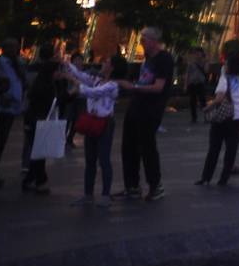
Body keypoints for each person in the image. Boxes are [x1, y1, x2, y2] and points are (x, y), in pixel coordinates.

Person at [117, 26, 173, 201]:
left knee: (147, 147)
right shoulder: (148, 58)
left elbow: (159, 87)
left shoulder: (164, 59)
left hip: (150, 109)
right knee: (129, 145)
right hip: (137, 105)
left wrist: (134, 87)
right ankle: (132, 185)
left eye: (144, 39)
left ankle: (155, 185)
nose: (141, 42)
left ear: (154, 41)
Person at [63, 53, 122, 203]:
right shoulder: (97, 80)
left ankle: (105, 195)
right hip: (92, 121)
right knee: (90, 160)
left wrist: (75, 83)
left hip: (105, 123)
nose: (103, 64)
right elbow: (79, 74)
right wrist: (64, 62)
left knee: (103, 159)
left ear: (112, 68)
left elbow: (92, 92)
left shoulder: (112, 85)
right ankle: (88, 194)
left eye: (106, 62)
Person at [197, 41, 239, 187]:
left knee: (214, 148)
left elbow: (219, 99)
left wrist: (208, 107)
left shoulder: (225, 79)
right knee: (231, 149)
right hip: (237, 117)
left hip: (222, 118)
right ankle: (224, 178)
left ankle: (206, 177)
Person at [21, 43, 60, 193]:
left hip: (36, 119)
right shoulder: (46, 85)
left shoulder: (42, 81)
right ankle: (39, 180)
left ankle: (32, 179)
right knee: (39, 150)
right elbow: (53, 100)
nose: (58, 74)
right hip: (37, 119)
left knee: (38, 150)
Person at [0, 37, 24, 187]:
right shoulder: (0, 62)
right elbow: (3, 82)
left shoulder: (16, 63)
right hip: (0, 107)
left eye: (16, 47)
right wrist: (3, 94)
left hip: (11, 107)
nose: (16, 50)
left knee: (0, 143)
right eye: (13, 48)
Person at [183, 48, 208, 124]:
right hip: (192, 83)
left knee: (203, 100)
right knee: (192, 101)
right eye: (196, 53)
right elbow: (187, 73)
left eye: (199, 53)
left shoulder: (204, 62)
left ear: (202, 53)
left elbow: (206, 71)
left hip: (200, 83)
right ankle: (194, 117)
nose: (197, 55)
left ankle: (206, 117)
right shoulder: (191, 63)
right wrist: (185, 85)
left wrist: (205, 62)